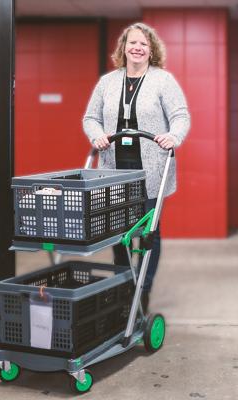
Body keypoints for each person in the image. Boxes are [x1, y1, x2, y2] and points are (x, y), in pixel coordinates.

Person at [83, 22, 190, 312]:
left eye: (144, 43)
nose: (138, 48)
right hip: (114, 169)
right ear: (123, 47)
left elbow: (180, 116)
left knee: (147, 231)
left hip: (151, 168)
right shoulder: (107, 82)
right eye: (132, 42)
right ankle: (124, 283)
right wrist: (96, 134)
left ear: (151, 49)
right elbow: (90, 118)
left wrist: (173, 135)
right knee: (118, 232)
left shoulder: (163, 81)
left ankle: (143, 288)